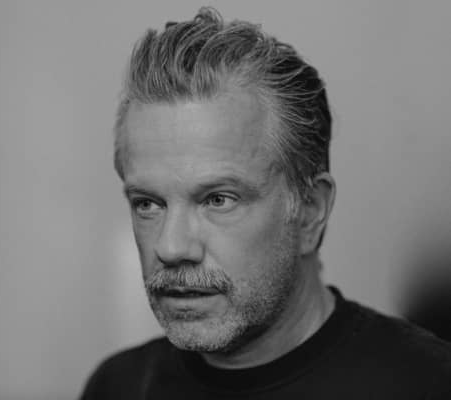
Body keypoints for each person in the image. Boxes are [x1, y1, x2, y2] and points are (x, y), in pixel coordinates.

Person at [80, 7, 451, 399]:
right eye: (148, 204)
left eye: (217, 199)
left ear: (310, 211)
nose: (170, 248)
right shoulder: (118, 386)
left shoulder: (427, 384)